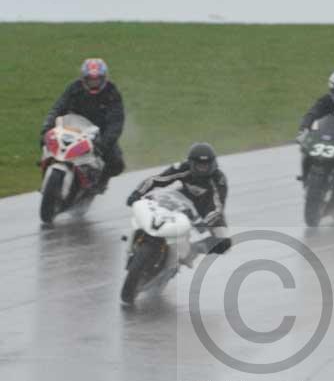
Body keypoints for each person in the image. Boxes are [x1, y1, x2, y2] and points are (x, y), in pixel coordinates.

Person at [126, 142, 231, 254]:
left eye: (206, 165)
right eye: (199, 165)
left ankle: (191, 249)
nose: (203, 169)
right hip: (183, 201)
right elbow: (158, 179)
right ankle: (143, 233)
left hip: (208, 211)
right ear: (191, 163)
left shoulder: (219, 180)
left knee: (224, 243)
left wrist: (203, 224)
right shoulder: (182, 168)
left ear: (213, 163)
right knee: (153, 203)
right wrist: (137, 193)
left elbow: (218, 208)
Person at [40, 58, 125, 194]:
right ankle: (46, 169)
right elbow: (58, 107)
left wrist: (104, 143)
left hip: (99, 134)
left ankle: (99, 183)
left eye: (97, 80)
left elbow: (116, 121)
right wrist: (47, 126)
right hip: (73, 128)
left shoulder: (112, 92)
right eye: (90, 80)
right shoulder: (74, 88)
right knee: (45, 142)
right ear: (83, 79)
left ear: (104, 79)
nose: (94, 84)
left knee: (117, 163)